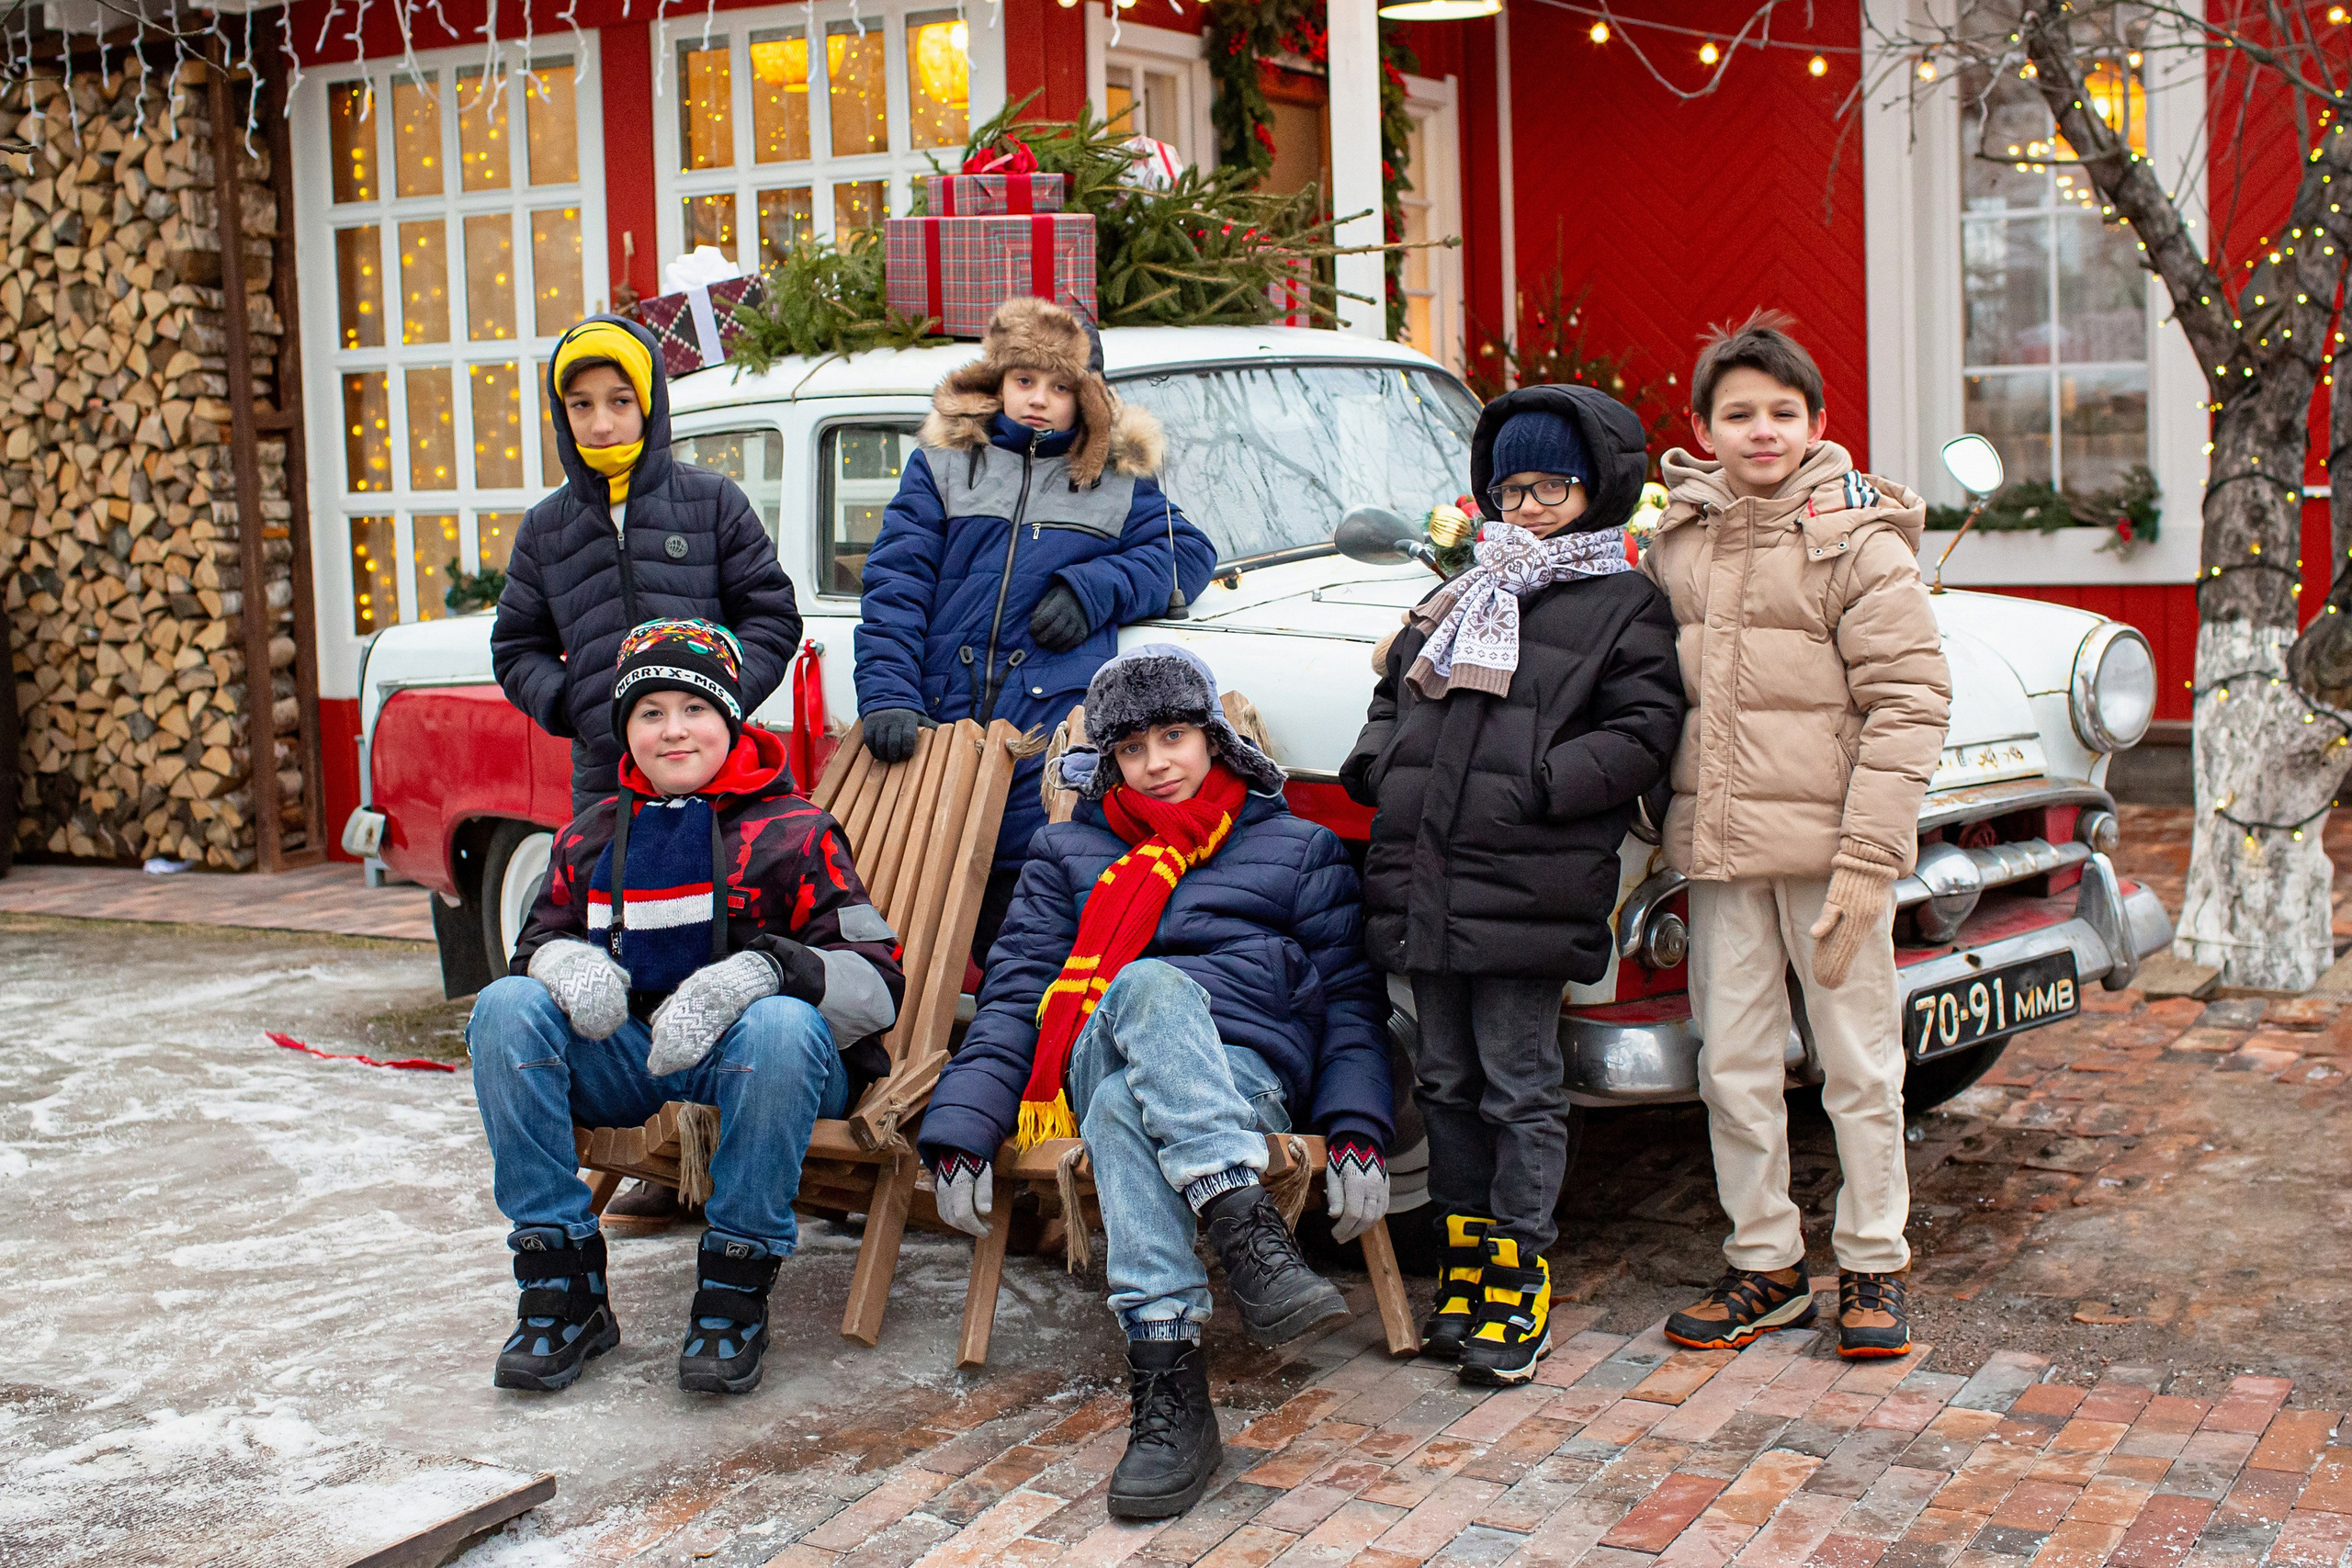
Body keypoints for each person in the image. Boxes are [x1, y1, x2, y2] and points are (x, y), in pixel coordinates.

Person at [919, 646, 1393, 1521]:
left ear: (1215, 737)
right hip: (1098, 1044)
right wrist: (964, 1122)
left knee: (1118, 1110)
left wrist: (1360, 1126)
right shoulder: (1066, 852)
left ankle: (1172, 1394)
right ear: (1110, 763)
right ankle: (1241, 1224)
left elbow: (1352, 1003)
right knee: (1142, 985)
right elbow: (1017, 992)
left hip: (1241, 1075)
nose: (1157, 763)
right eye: (1133, 749)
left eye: (1174, 735)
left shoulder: (1300, 848)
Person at [1340, 386, 1684, 1387]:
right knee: (1444, 1079)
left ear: (1598, 489)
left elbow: (1641, 732)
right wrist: (1379, 767)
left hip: (1526, 879)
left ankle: (1519, 1275)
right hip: (1429, 878)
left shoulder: (1622, 602)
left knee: (1519, 1085)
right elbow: (1389, 691)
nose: (1527, 507)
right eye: (1511, 488)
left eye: (1551, 487)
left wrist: (1543, 788)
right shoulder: (1460, 593)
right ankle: (1465, 1266)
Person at [468, 620, 904, 1396]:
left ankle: (734, 1285)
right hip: (633, 1055)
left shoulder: (794, 832)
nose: (673, 730)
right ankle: (562, 1284)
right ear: (625, 731)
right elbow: (534, 945)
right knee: (504, 1008)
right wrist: (567, 963)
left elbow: (877, 985)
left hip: (768, 1067)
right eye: (649, 712)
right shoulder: (591, 836)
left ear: (730, 719)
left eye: (694, 708)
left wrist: (763, 970)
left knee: (779, 1022)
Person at [1644, 310, 1951, 1359]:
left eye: (1781, 412)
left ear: (1817, 422)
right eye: (1737, 414)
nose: (1760, 431)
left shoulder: (1855, 545)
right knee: (1730, 1066)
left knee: (1858, 1065)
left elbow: (1907, 702)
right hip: (1722, 855)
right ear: (1701, 424)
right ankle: (1765, 1263)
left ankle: (1872, 1264)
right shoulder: (1675, 542)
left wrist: (1870, 858)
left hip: (1828, 859)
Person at [853, 298, 1216, 960]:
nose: (1039, 400)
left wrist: (1094, 588)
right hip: (938, 739)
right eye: (1024, 381)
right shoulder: (944, 464)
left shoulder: (1116, 480)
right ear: (996, 382)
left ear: (1089, 397)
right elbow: (895, 586)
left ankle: (1028, 1050)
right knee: (914, 933)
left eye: (1060, 386)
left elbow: (1187, 556)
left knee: (1023, 940)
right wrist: (888, 693)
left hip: (1044, 754)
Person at [492, 315, 803, 810]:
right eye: (581, 405)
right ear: (561, 413)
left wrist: (721, 700)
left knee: (725, 885)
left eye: (620, 400)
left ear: (648, 401)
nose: (600, 424)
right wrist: (576, 705)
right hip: (606, 784)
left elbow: (772, 616)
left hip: (719, 772)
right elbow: (516, 648)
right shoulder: (544, 529)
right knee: (616, 890)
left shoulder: (713, 501)